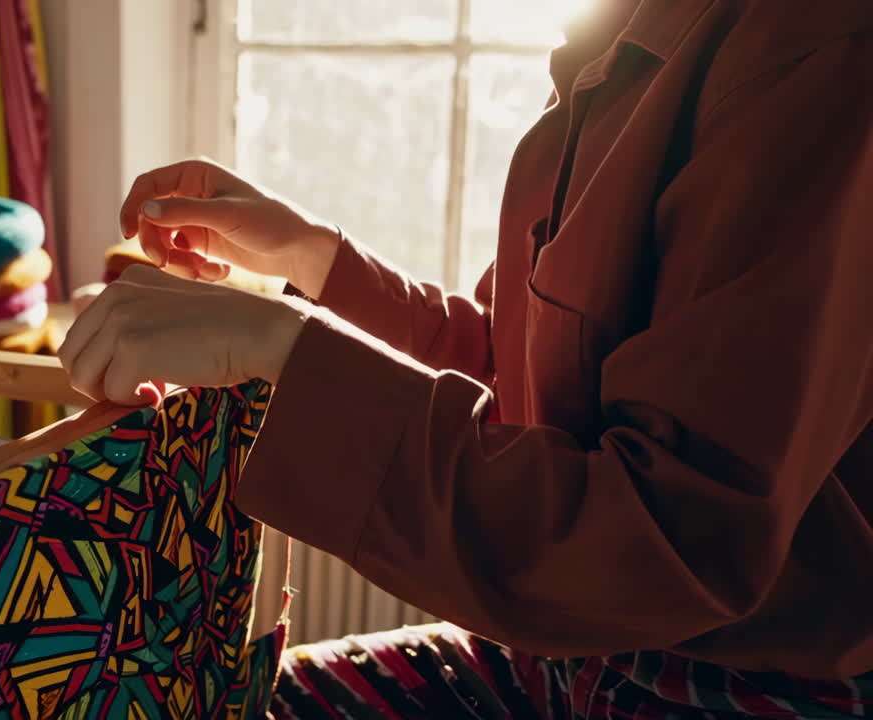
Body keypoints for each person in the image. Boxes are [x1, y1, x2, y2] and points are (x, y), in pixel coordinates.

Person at [60, 0, 872, 716]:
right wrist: (312, 258)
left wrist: (282, 348)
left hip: (730, 691)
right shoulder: (609, 42)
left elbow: (661, 540)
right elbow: (513, 362)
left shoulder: (811, 55)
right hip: (559, 668)